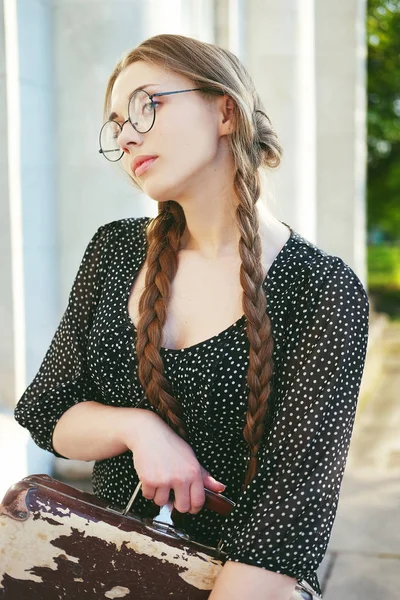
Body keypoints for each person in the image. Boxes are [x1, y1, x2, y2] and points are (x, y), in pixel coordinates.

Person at [14, 33, 369, 600]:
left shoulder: (322, 289)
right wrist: (138, 428)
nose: (126, 135)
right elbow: (48, 412)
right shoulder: (115, 250)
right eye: (116, 124)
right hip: (99, 572)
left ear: (224, 110)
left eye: (145, 105)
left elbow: (286, 531)